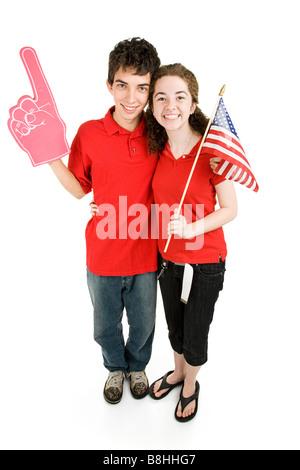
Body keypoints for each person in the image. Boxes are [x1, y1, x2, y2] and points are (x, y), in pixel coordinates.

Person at [49, 38, 161, 404]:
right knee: (104, 324)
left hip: (145, 253)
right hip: (103, 254)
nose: (132, 98)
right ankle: (115, 367)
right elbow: (80, 188)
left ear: (151, 88)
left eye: (142, 87)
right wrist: (50, 158)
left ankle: (138, 366)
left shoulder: (158, 132)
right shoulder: (90, 133)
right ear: (109, 84)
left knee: (143, 323)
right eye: (122, 85)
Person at [146, 64, 238, 422]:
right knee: (174, 326)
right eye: (161, 97)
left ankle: (190, 385)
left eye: (180, 96)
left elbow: (230, 209)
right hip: (168, 259)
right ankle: (178, 371)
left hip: (205, 262)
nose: (171, 105)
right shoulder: (156, 152)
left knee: (196, 332)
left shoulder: (212, 153)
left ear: (194, 103)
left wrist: (192, 228)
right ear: (153, 107)